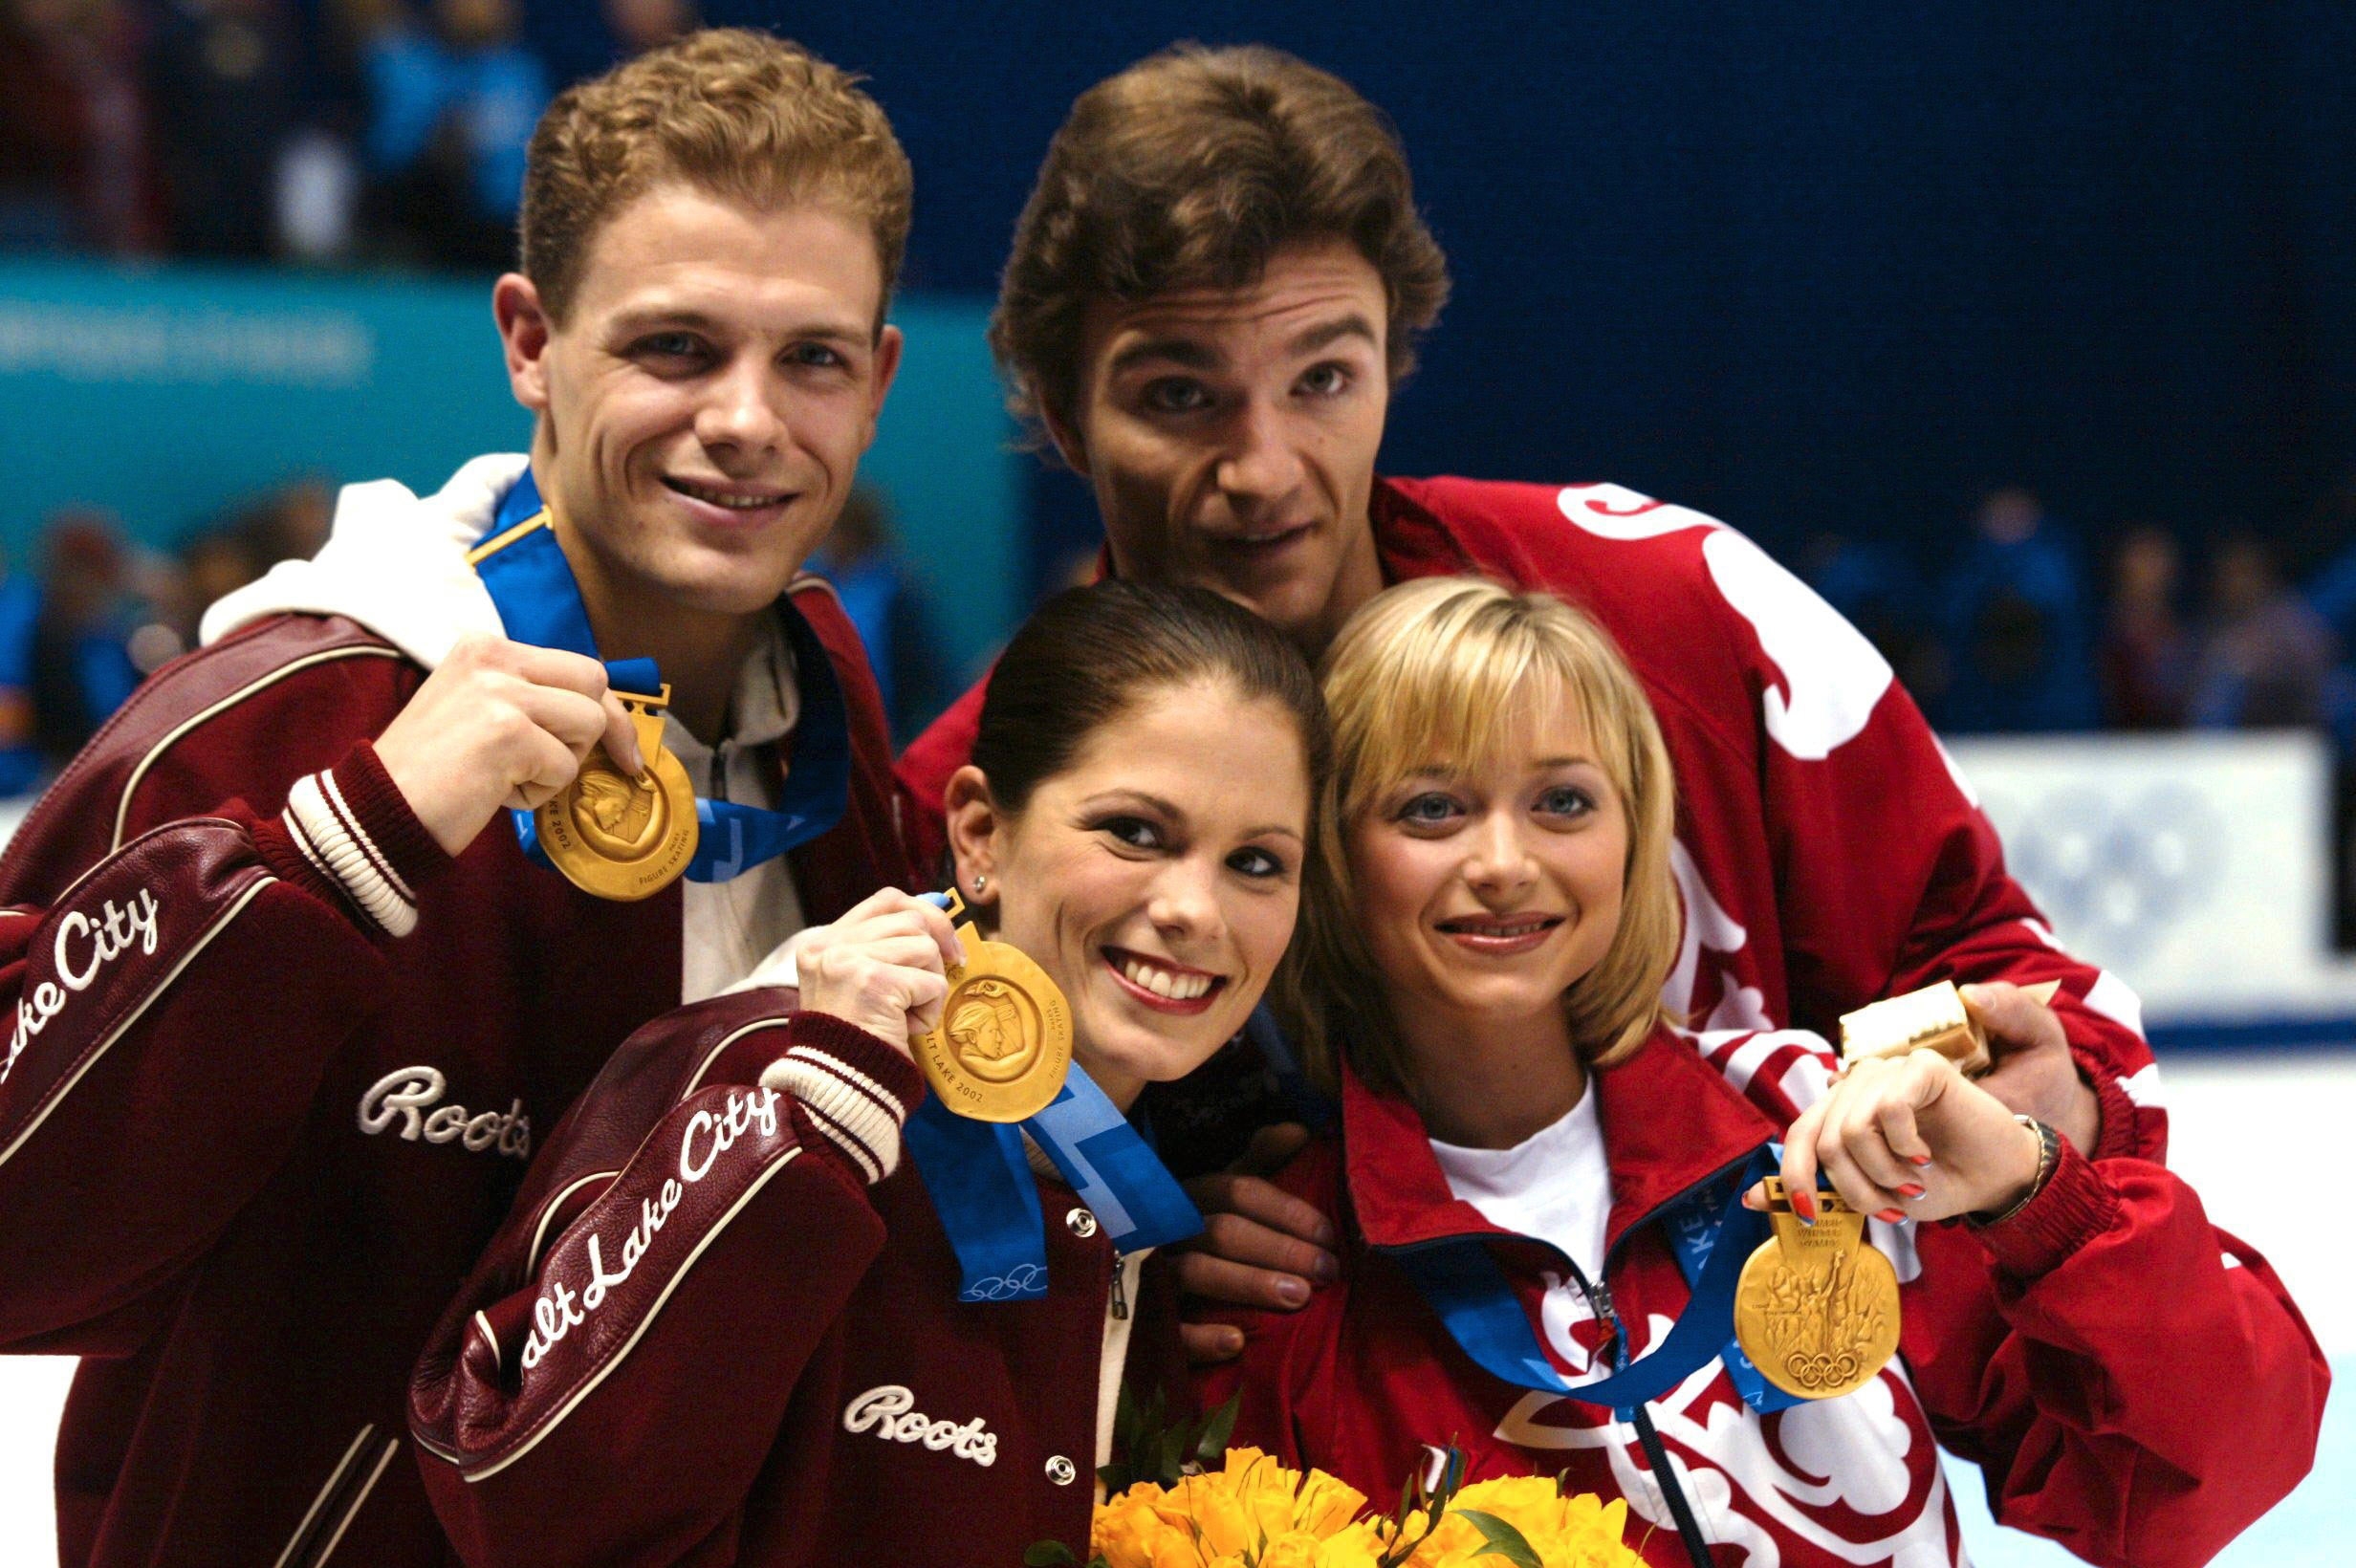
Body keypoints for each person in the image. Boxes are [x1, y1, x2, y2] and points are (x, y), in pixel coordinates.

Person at [893, 45, 2168, 1342]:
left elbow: (2014, 996)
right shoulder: (962, 809)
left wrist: (2047, 1132)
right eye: (1179, 397)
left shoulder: (1681, 615)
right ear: (1059, 412)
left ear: (1396, 363)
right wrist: (1098, 1272)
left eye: (1323, 379)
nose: (1263, 470)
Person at [0, 31, 911, 1566]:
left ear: (881, 379)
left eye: (811, 356)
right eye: (677, 348)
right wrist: (338, 851)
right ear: (530, 340)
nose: (750, 420)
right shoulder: (285, 712)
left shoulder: (839, 776)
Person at [1199, 577, 2324, 1568]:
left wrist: (2036, 1193)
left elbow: (2188, 1495)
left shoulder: (1813, 1124)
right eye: (1430, 806)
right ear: (1329, 853)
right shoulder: (1279, 1270)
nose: (1504, 862)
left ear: (1638, 838)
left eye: (1563, 801)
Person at [409, 580, 1326, 1566]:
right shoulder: (761, 1070)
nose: (1195, 907)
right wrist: (814, 1127)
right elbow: (520, 1507)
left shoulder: (1139, 1191)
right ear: (980, 832)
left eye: (1258, 862)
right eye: (1134, 831)